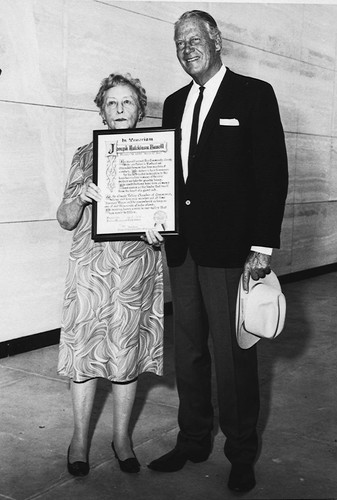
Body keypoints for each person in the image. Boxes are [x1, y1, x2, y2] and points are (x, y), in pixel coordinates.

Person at [147, 10, 288, 493]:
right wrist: (152, 218)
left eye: (195, 39)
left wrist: (263, 246)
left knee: (233, 358)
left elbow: (272, 175)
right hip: (181, 250)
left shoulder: (253, 95)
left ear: (217, 40)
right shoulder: (173, 103)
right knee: (187, 354)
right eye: (179, 42)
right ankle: (193, 439)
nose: (187, 48)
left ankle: (241, 451)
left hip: (233, 253)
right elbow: (166, 179)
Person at [57, 72, 164, 477]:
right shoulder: (84, 155)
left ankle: (122, 438)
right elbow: (65, 219)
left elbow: (171, 217)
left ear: (140, 110)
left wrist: (162, 229)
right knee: (85, 355)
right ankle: (79, 440)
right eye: (112, 103)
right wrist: (79, 198)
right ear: (102, 110)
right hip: (90, 270)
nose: (120, 110)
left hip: (137, 267)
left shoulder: (157, 153)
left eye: (128, 103)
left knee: (127, 355)